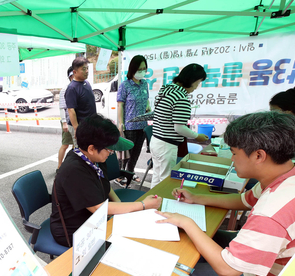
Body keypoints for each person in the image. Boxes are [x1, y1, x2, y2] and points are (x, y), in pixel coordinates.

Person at [156, 111, 295, 276]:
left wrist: (187, 222)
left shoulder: (273, 212)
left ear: (259, 155)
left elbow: (227, 269)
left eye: (234, 153)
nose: (231, 159)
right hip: (293, 262)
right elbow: (245, 200)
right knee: (211, 238)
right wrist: (197, 198)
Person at [51, 114, 162, 247]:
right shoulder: (74, 170)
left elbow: (105, 186)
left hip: (96, 219)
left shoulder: (94, 159)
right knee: (130, 246)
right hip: (75, 230)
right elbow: (98, 208)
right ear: (91, 148)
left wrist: (121, 205)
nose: (111, 153)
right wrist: (143, 205)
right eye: (109, 149)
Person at [150, 63, 209, 188]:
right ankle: (159, 205)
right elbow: (179, 127)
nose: (196, 88)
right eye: (197, 83)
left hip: (156, 140)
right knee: (165, 181)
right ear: (191, 81)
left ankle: (151, 204)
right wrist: (197, 136)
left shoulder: (166, 89)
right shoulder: (181, 98)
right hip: (167, 145)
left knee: (157, 177)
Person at [114, 55, 150, 187]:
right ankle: (120, 176)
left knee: (136, 153)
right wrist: (121, 123)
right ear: (133, 69)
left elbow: (146, 99)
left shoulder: (145, 83)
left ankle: (130, 172)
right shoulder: (125, 85)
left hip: (142, 125)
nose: (142, 71)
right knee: (126, 153)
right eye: (139, 69)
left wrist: (148, 106)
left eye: (144, 68)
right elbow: (120, 105)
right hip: (129, 125)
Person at [65, 56, 97, 147]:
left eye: (87, 68)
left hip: (90, 125)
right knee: (82, 152)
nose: (87, 71)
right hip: (81, 127)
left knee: (90, 150)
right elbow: (71, 110)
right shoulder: (72, 88)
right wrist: (76, 129)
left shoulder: (86, 83)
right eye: (83, 69)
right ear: (74, 72)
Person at [57, 66, 74, 171]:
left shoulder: (79, 88)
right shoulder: (65, 90)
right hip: (67, 121)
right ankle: (59, 166)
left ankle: (70, 165)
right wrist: (64, 122)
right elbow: (62, 107)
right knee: (65, 144)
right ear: (71, 76)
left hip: (76, 122)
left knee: (75, 145)